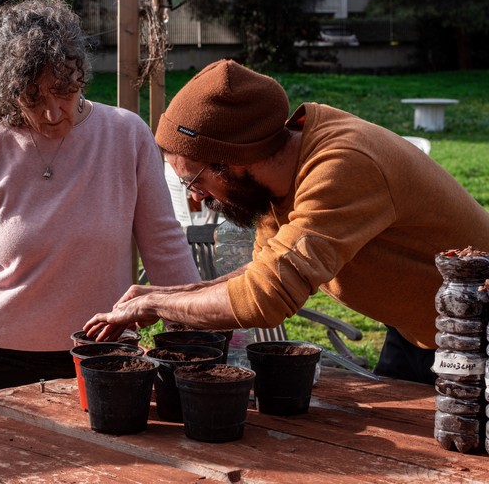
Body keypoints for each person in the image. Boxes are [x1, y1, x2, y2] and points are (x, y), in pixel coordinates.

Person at [83, 59, 489, 385]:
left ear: (235, 161)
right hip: (426, 329)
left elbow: (266, 297)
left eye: (195, 179)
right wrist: (167, 293)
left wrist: (158, 302)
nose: (194, 196)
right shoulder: (283, 174)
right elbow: (262, 272)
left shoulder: (342, 166)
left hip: (479, 332)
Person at [0, 0, 199, 418]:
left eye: (63, 92)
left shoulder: (126, 136)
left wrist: (190, 338)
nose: (53, 112)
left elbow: (166, 245)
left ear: (80, 77)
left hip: (103, 360)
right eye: (33, 98)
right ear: (7, 91)